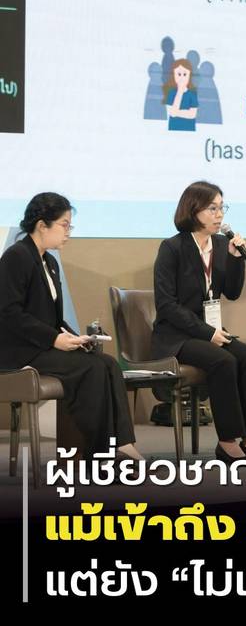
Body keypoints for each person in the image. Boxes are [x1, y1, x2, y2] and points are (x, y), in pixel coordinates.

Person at [0, 192, 142, 459]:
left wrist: (78, 339)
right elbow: (9, 313)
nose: (69, 232)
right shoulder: (16, 257)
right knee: (90, 369)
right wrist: (54, 339)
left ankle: (123, 444)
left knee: (108, 364)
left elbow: (53, 319)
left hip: (41, 346)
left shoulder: (49, 261)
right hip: (19, 351)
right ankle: (100, 454)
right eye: (64, 225)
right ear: (42, 225)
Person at [152, 180, 246, 464]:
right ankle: (227, 442)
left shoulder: (220, 244)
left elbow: (232, 292)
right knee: (223, 361)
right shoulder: (172, 248)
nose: (219, 215)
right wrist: (207, 333)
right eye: (212, 208)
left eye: (221, 208)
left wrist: (235, 259)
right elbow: (167, 305)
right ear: (193, 211)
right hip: (176, 336)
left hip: (210, 331)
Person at [163, 59, 198, 131]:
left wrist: (176, 112)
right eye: (179, 74)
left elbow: (192, 114)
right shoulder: (171, 93)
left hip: (189, 128)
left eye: (185, 74)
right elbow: (171, 112)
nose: (182, 77)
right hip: (174, 128)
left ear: (189, 76)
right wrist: (180, 91)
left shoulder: (192, 93)